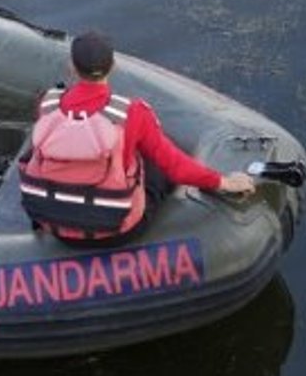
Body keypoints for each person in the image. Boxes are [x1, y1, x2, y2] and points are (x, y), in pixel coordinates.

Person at [19, 31, 255, 245]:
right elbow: (176, 167)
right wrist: (224, 183)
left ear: (72, 67)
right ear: (113, 66)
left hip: (57, 228)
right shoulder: (133, 113)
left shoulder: (47, 106)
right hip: (118, 229)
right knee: (156, 164)